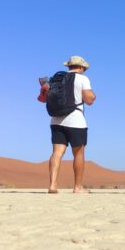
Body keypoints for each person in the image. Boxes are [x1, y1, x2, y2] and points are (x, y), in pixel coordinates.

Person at [38, 56, 96, 194]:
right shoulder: (82, 79)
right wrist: (93, 96)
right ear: (81, 67)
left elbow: (41, 99)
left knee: (57, 153)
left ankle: (52, 185)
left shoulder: (55, 79)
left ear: (69, 66)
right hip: (76, 121)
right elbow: (89, 100)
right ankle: (78, 187)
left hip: (56, 120)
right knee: (78, 153)